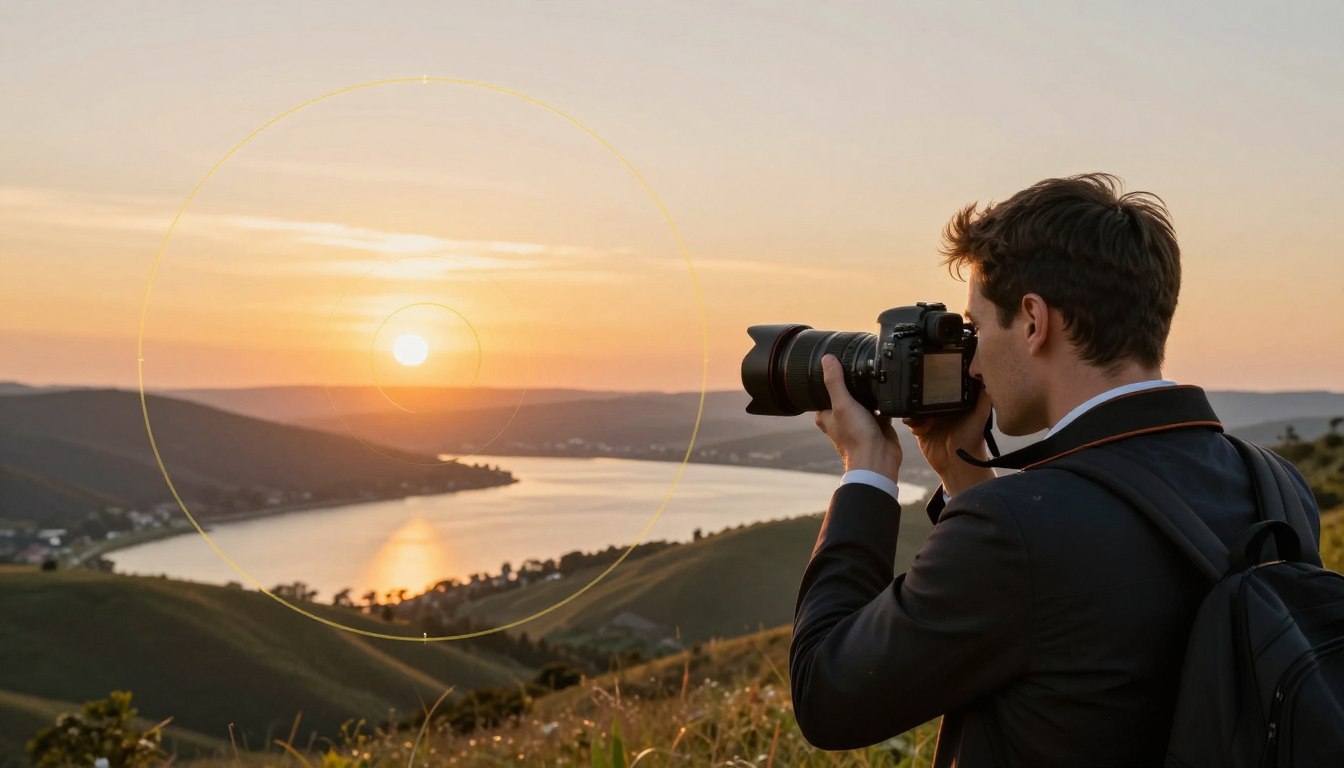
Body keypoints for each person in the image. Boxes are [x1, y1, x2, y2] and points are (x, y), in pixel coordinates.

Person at [791, 172, 1322, 766]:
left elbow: (826, 694)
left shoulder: (1016, 533)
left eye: (978, 327)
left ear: (1034, 321)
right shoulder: (1276, 486)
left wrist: (867, 469)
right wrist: (961, 473)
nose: (971, 364)